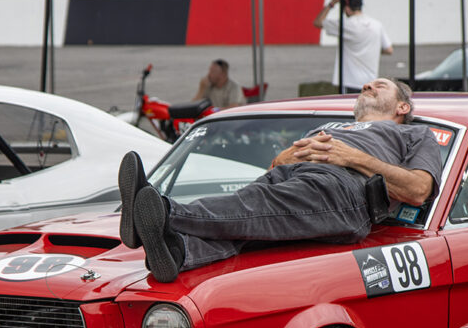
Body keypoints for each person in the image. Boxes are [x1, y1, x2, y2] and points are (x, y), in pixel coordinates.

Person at [118, 77, 442, 283]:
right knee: (247, 224)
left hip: (343, 188)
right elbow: (280, 165)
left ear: (403, 105)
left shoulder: (413, 133)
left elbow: (418, 189)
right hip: (286, 177)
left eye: (379, 85)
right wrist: (281, 159)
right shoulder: (333, 126)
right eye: (366, 85)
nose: (367, 87)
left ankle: (164, 211)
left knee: (253, 207)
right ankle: (180, 252)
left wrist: (353, 157)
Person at [314, 0, 393, 93]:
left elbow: (318, 22)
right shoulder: (376, 25)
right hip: (370, 81)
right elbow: (389, 50)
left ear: (347, 8)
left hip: (349, 81)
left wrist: (331, 3)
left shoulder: (346, 25)